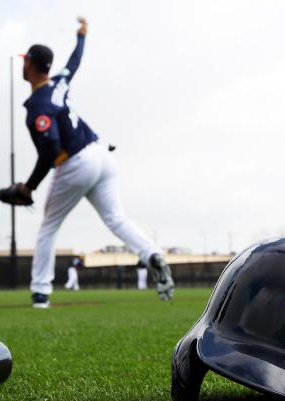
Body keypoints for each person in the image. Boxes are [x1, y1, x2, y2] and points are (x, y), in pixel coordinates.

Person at [17, 17, 174, 309]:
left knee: (48, 227)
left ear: (30, 65)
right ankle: (151, 253)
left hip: (77, 162)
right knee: (117, 219)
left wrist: (29, 187)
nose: (22, 64)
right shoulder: (59, 82)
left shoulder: (39, 104)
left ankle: (40, 293)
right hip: (101, 155)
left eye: (24, 60)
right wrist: (81, 36)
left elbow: (50, 148)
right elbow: (73, 62)